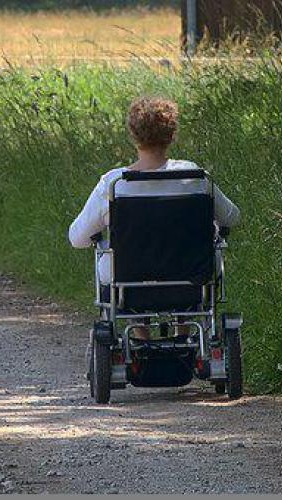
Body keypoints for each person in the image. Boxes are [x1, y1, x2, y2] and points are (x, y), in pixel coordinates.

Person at [68, 97, 240, 339]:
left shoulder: (114, 184)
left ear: (133, 135)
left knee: (114, 261)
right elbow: (232, 217)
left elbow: (77, 238)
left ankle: (139, 337)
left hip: (128, 285)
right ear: (172, 135)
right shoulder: (196, 178)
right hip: (191, 283)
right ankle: (184, 330)